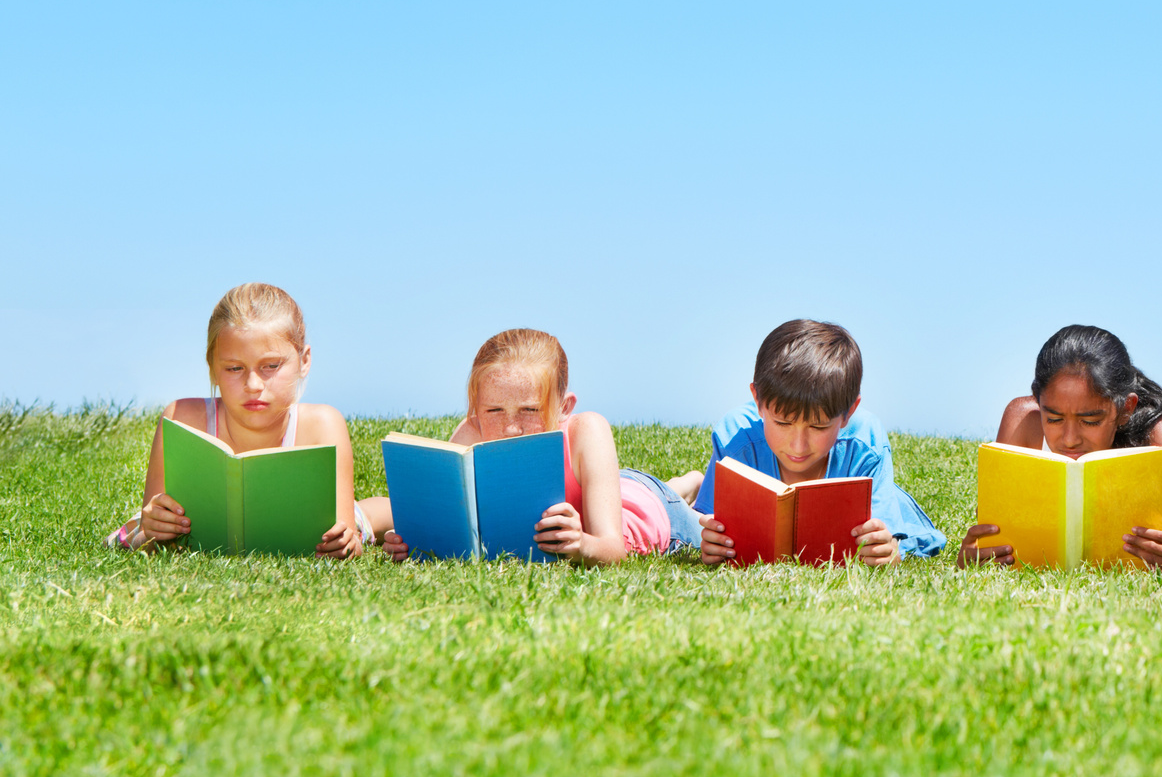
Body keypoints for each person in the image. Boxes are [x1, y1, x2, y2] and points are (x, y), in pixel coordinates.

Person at [369, 328, 703, 563]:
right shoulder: (471, 433)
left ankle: (685, 486)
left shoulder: (587, 430)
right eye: (494, 410)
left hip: (653, 511)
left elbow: (613, 550)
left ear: (564, 407)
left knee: (693, 515)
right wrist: (415, 543)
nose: (511, 428)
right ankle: (681, 483)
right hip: (609, 484)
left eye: (529, 409)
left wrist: (582, 544)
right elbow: (450, 523)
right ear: (475, 409)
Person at [113, 282, 365, 558]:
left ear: (304, 361)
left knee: (360, 515)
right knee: (128, 531)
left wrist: (346, 544)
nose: (253, 384)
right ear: (213, 366)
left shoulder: (323, 425)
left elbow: (346, 537)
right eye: (234, 368)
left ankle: (379, 511)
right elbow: (148, 539)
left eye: (270, 366)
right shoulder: (181, 419)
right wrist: (152, 529)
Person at [962, 324, 1162, 569]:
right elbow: (992, 537)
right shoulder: (1022, 421)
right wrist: (975, 554)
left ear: (1125, 409)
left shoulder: (1152, 430)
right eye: (1053, 419)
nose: (1070, 438)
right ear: (1039, 401)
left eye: (1090, 421)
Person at [693, 320, 944, 565]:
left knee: (917, 540)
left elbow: (886, 540)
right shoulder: (735, 440)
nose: (798, 446)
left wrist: (890, 550)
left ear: (848, 412)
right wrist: (711, 542)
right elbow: (706, 526)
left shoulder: (865, 444)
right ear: (758, 400)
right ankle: (691, 483)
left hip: (895, 505)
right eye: (782, 423)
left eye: (818, 426)